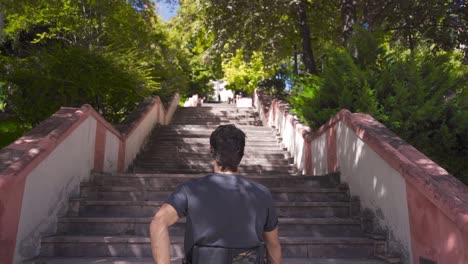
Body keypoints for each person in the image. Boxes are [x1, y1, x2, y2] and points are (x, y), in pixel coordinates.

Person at [150, 125, 282, 264]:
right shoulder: (262, 194)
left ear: (211, 150)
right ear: (242, 153)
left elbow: (158, 222)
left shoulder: (191, 190)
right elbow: (273, 245)